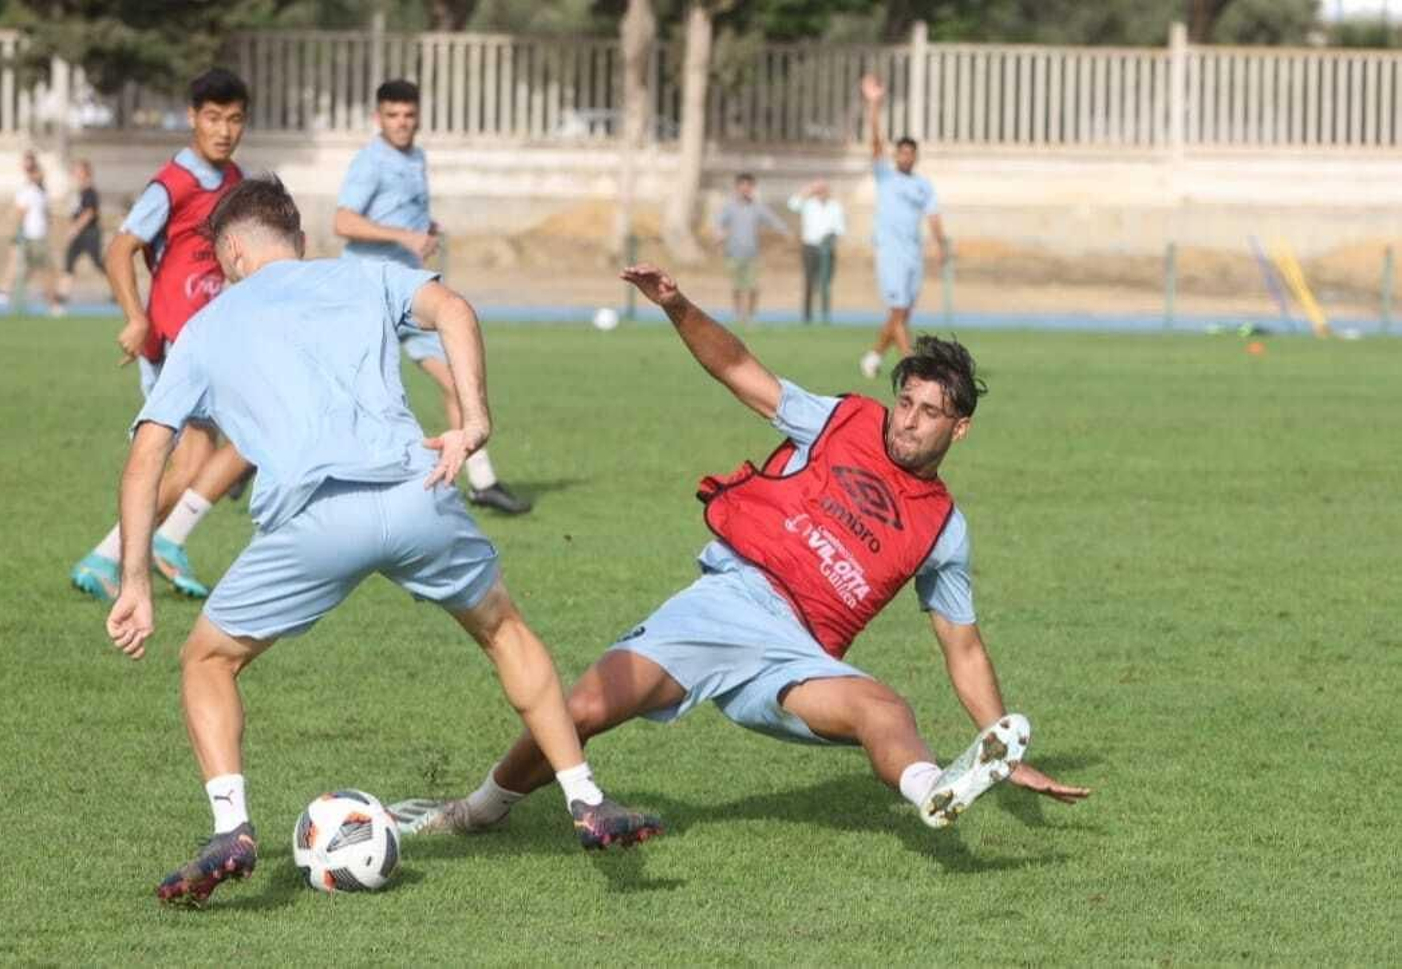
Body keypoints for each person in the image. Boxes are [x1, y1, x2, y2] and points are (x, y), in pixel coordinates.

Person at [105, 175, 662, 906]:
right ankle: (586, 798)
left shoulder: (209, 324)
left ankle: (231, 829)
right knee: (503, 629)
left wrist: (136, 581)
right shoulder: (363, 274)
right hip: (416, 494)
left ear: (232, 251)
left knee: (207, 658)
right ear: (299, 241)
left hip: (314, 522)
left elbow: (148, 456)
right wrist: (475, 420)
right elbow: (454, 308)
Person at [398, 265, 1090, 839]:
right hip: (726, 603)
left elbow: (962, 647)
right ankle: (477, 812)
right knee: (581, 708)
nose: (908, 420)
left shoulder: (944, 527)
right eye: (905, 402)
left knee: (886, 710)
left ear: (959, 429)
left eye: (929, 412)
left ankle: (936, 787)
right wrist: (678, 307)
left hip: (797, 655)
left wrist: (1002, 743)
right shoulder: (840, 418)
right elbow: (738, 369)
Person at [71, 68, 256, 603]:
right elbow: (119, 249)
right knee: (246, 436)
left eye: (235, 119)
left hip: (209, 335)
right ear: (194, 117)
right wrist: (135, 316)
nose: (224, 130)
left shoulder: (235, 180)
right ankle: (158, 544)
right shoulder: (172, 183)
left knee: (198, 459)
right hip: (178, 336)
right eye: (214, 118)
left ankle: (113, 556)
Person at [334, 78, 531, 516]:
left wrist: (426, 229)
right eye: (392, 116)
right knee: (344, 394)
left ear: (418, 115)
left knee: (457, 381)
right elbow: (343, 221)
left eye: (408, 115)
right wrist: (404, 236)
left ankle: (482, 481)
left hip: (412, 297)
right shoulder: (371, 162)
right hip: (368, 296)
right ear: (377, 118)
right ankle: (253, 460)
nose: (402, 123)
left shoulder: (417, 157)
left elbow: (404, 213)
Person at [858, 74, 950, 381]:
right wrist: (873, 106)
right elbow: (874, 142)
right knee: (897, 309)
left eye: (911, 153)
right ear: (897, 155)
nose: (906, 157)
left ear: (915, 157)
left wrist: (941, 245)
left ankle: (873, 357)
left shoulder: (923, 185)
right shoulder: (886, 176)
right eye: (902, 152)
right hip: (890, 251)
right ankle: (912, 365)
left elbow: (933, 216)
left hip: (913, 253)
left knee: (903, 312)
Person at [714, 173, 790, 327]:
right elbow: (718, 223)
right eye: (742, 186)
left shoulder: (757, 207)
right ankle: (737, 315)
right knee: (736, 286)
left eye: (749, 186)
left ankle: (751, 316)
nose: (745, 189)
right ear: (737, 188)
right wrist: (719, 235)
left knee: (753, 286)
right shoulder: (730, 207)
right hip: (733, 253)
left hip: (752, 254)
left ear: (752, 188)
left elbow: (773, 220)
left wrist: (786, 231)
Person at [0, 150, 61, 315]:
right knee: (35, 269)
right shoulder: (32, 191)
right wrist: (18, 232)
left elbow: (34, 213)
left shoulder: (36, 191)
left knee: (36, 271)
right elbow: (26, 213)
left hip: (36, 236)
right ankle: (9, 294)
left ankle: (9, 294)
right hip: (33, 236)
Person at [787, 180, 847, 324]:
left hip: (827, 248)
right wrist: (807, 190)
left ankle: (825, 315)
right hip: (810, 247)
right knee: (809, 282)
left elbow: (840, 228)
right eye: (818, 190)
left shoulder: (835, 206)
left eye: (823, 190)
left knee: (825, 283)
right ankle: (807, 316)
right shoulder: (809, 204)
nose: (821, 193)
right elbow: (792, 204)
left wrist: (830, 237)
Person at [55, 159, 106, 305]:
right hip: (79, 234)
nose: (75, 173)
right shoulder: (79, 191)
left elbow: (89, 213)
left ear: (85, 173)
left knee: (98, 262)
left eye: (78, 170)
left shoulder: (90, 191)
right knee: (69, 261)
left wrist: (75, 228)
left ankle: (117, 288)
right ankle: (62, 294)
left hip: (90, 233)